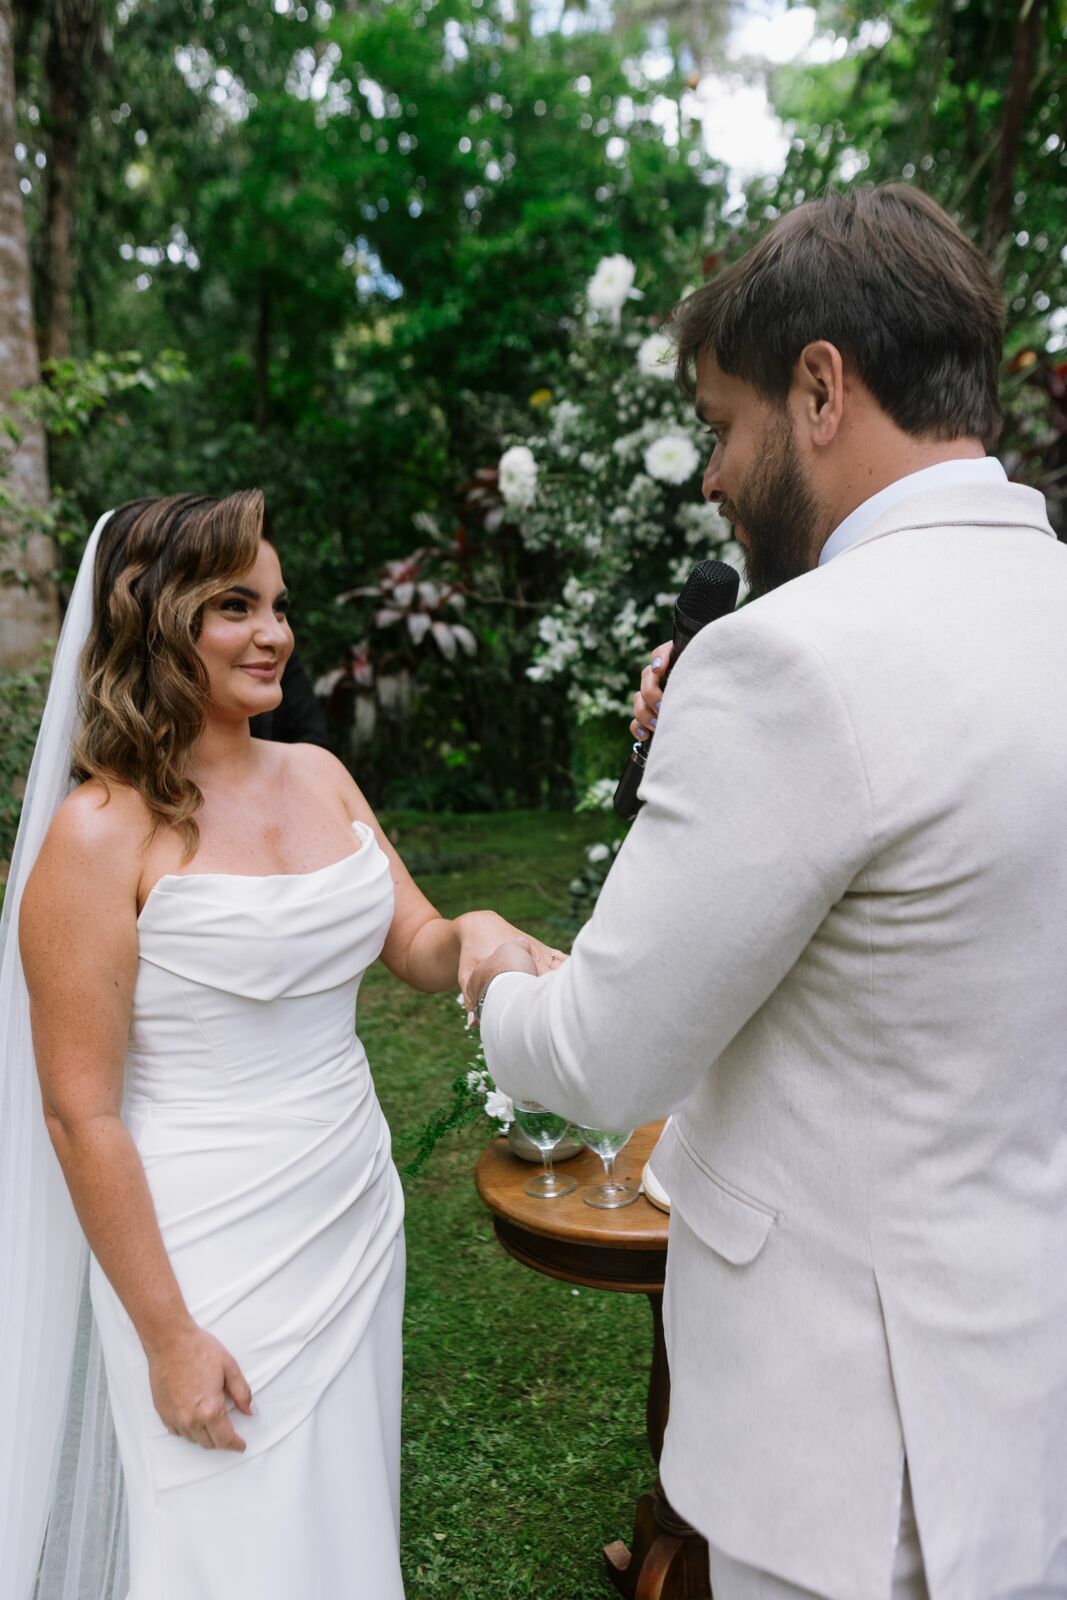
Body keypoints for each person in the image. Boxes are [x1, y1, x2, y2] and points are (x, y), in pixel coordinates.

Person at [468, 184, 1067, 1600]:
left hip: (851, 1469)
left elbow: (607, 1054)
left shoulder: (786, 660)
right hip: (1020, 1407)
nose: (712, 477)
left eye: (725, 428)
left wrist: (486, 976)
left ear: (817, 390)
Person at [0, 490, 563, 1600]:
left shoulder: (317, 773)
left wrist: (477, 934)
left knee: (335, 1520)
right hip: (199, 1241)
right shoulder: (96, 833)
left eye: (277, 604)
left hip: (346, 1204)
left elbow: (411, 939)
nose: (274, 632)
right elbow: (79, 1112)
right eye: (233, 606)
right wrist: (167, 1334)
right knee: (226, 1541)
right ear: (154, 622)